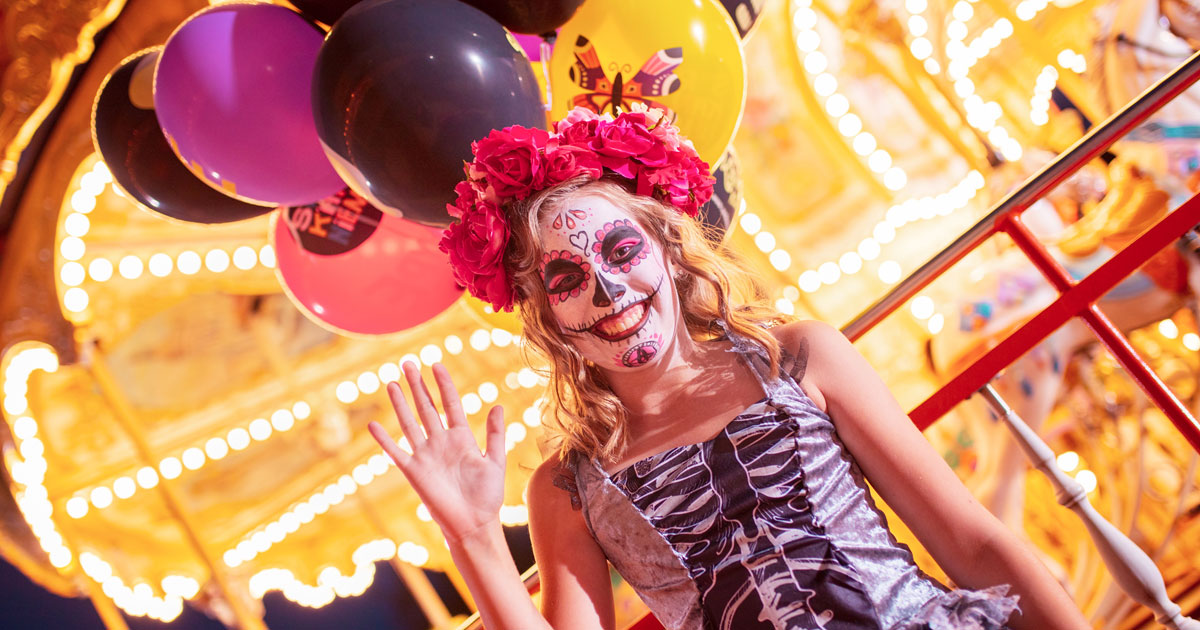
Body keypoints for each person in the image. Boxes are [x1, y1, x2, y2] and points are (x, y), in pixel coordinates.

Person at [368, 106, 1090, 630]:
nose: (610, 292)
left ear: (668, 249)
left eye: (622, 253)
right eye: (568, 279)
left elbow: (974, 543)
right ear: (549, 318)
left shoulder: (800, 356)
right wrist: (473, 537)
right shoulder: (567, 488)